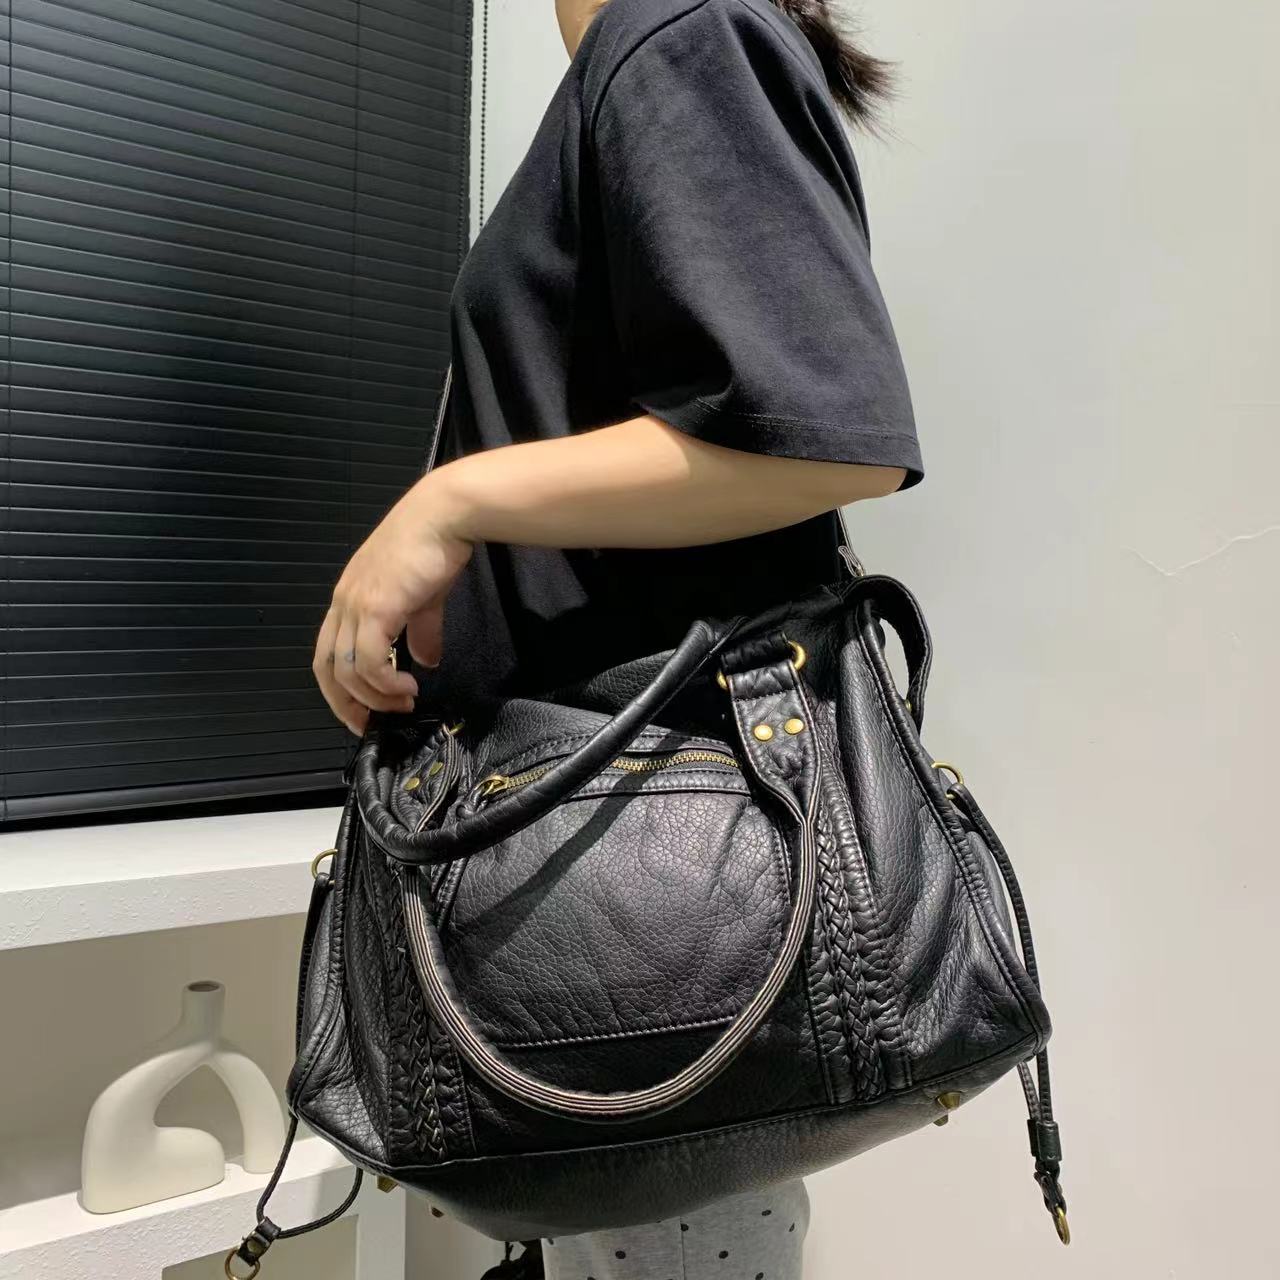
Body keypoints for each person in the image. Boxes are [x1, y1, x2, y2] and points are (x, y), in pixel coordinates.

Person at [313, 0, 921, 1274]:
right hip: (622, 882)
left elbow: (824, 437)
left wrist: (451, 502)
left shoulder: (675, 30)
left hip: (644, 895)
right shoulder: (648, 50)